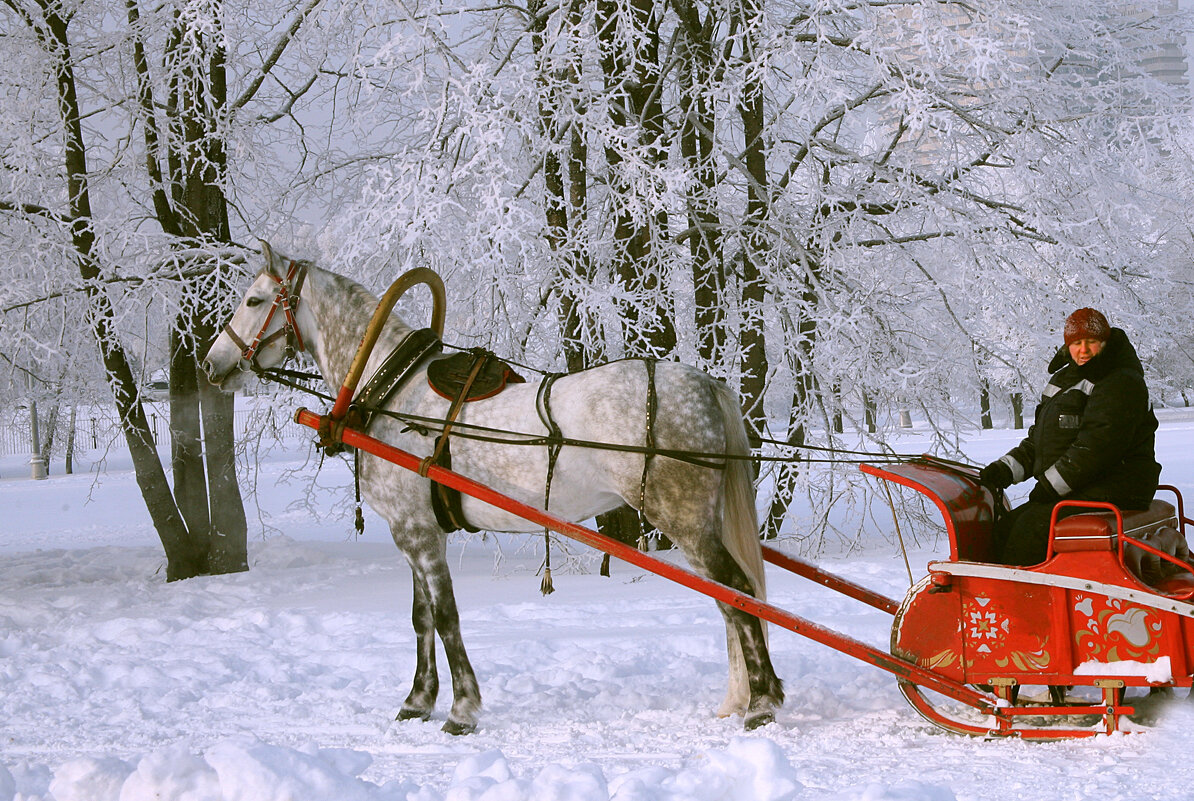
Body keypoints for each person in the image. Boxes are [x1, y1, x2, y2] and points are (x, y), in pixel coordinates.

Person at [978, 308, 1161, 565]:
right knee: (1007, 527)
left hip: (1116, 486)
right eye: (1076, 343)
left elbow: (1097, 446)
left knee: (1030, 531)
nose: (1083, 350)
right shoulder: (1064, 380)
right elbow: (1041, 441)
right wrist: (1006, 470)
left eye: (1091, 342)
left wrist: (1051, 486)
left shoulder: (1120, 382)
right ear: (1068, 346)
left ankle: (1027, 599)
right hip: (1083, 487)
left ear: (1105, 343)